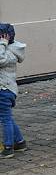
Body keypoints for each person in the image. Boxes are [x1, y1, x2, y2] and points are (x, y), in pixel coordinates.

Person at [0, 23, 27, 158]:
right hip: (6, 89)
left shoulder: (8, 52)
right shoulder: (7, 49)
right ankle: (20, 142)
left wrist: (2, 44)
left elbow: (0, 59)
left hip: (4, 90)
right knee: (7, 117)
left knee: (5, 119)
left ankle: (8, 147)